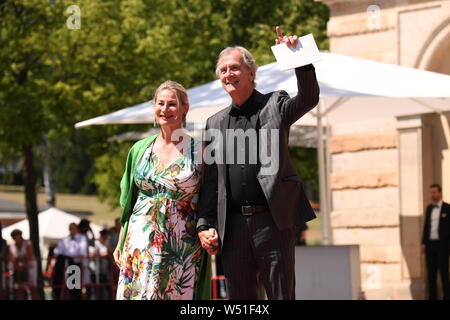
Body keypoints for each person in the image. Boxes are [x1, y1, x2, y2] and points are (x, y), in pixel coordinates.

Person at [196, 26, 319, 300]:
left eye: (235, 68)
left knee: (281, 294)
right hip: (233, 227)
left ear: (252, 73)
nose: (229, 74)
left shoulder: (275, 104)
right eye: (224, 70)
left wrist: (300, 58)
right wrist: (205, 224)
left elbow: (309, 98)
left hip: (272, 221)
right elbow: (212, 181)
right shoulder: (214, 123)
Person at [113, 80, 210, 300]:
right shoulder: (139, 149)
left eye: (172, 104)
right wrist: (120, 242)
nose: (165, 110)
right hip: (138, 241)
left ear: (185, 108)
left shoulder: (201, 151)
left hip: (180, 245)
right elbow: (128, 201)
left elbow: (210, 199)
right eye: (160, 103)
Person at [421, 183, 450, 300]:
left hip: (442, 246)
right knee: (431, 275)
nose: (432, 194)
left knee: (444, 273)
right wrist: (423, 243)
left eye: (434, 192)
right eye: (431, 192)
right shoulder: (429, 209)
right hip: (430, 245)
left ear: (440, 193)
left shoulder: (448, 208)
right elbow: (426, 226)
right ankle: (432, 297)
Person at [52, 222, 87, 300]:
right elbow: (59, 252)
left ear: (77, 229)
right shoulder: (64, 239)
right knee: (62, 284)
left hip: (75, 264)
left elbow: (82, 252)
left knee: (74, 287)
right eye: (71, 229)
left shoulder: (82, 238)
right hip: (64, 264)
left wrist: (71, 256)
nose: (73, 230)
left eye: (74, 228)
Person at [8, 229, 38, 299]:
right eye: (14, 237)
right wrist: (17, 266)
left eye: (17, 236)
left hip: (30, 268)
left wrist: (22, 264)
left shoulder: (28, 243)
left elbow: (30, 256)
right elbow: (13, 259)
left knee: (32, 287)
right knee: (19, 288)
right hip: (20, 269)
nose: (16, 238)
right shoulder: (12, 246)